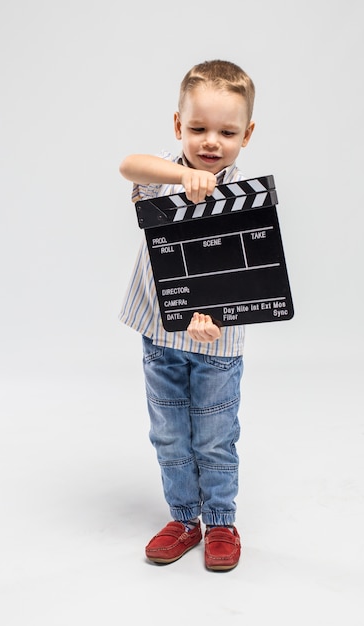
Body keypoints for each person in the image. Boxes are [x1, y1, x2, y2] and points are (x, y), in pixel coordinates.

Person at [119, 59, 255, 571]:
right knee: (170, 432)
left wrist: (216, 312)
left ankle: (220, 520)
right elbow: (128, 165)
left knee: (215, 434)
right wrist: (184, 175)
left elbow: (249, 274)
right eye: (197, 128)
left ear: (247, 134)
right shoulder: (163, 179)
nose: (210, 141)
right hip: (160, 331)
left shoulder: (248, 197)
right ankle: (183, 518)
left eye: (226, 131)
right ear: (179, 126)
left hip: (217, 342)